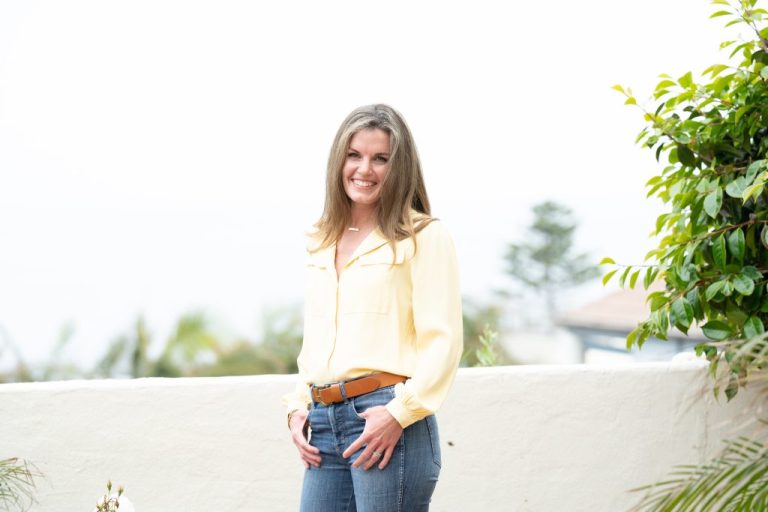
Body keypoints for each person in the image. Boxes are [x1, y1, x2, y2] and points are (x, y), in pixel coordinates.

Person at [282, 103, 463, 512]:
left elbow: (443, 341)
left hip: (385, 416)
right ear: (338, 160)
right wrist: (297, 408)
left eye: (381, 158)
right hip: (322, 423)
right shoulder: (321, 240)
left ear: (400, 168)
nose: (365, 169)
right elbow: (317, 340)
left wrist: (398, 414)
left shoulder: (423, 236)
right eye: (354, 155)